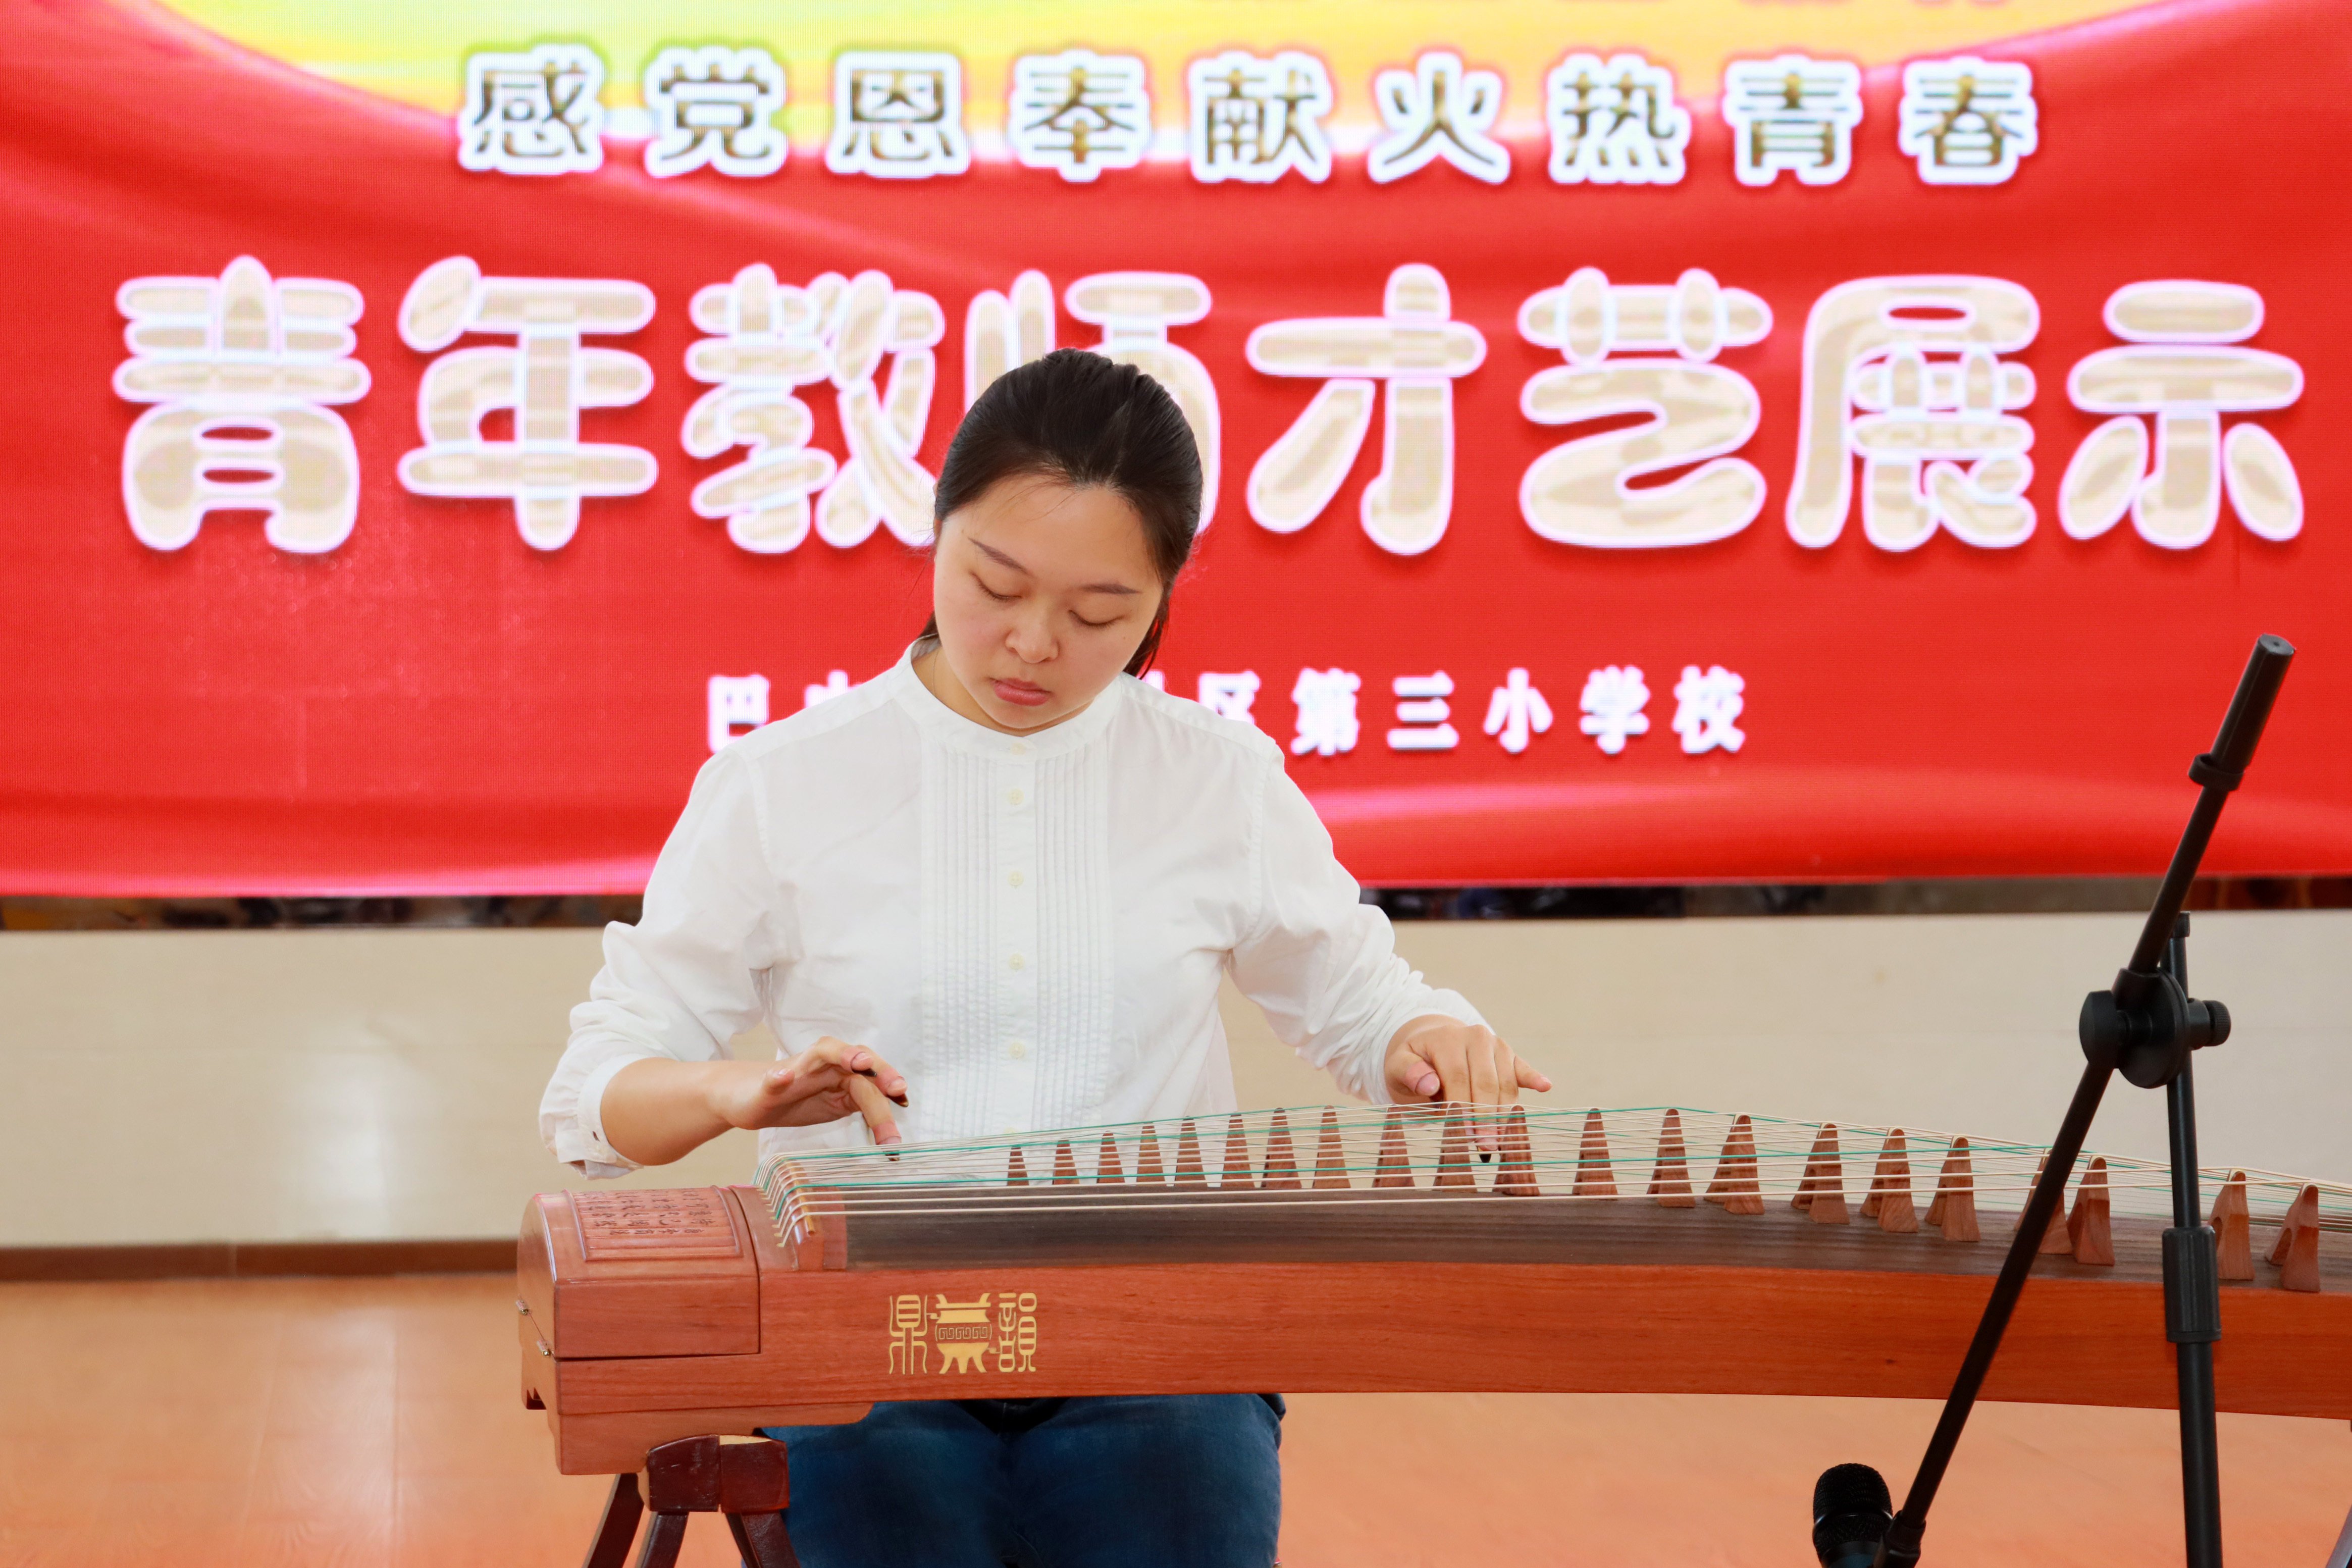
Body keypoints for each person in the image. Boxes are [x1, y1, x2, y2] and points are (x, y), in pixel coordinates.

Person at [540, 348, 1549, 1568]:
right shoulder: (781, 784)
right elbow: (598, 1092)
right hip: (868, 1344)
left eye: (1096, 614)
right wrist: (732, 1091)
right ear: (936, 533)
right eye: (993, 582)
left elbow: (1356, 996)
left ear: (1160, 599)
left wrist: (1419, 1037)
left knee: (1180, 1466)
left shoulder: (1214, 778)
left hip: (1152, 1342)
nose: (1029, 643)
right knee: (881, 1474)